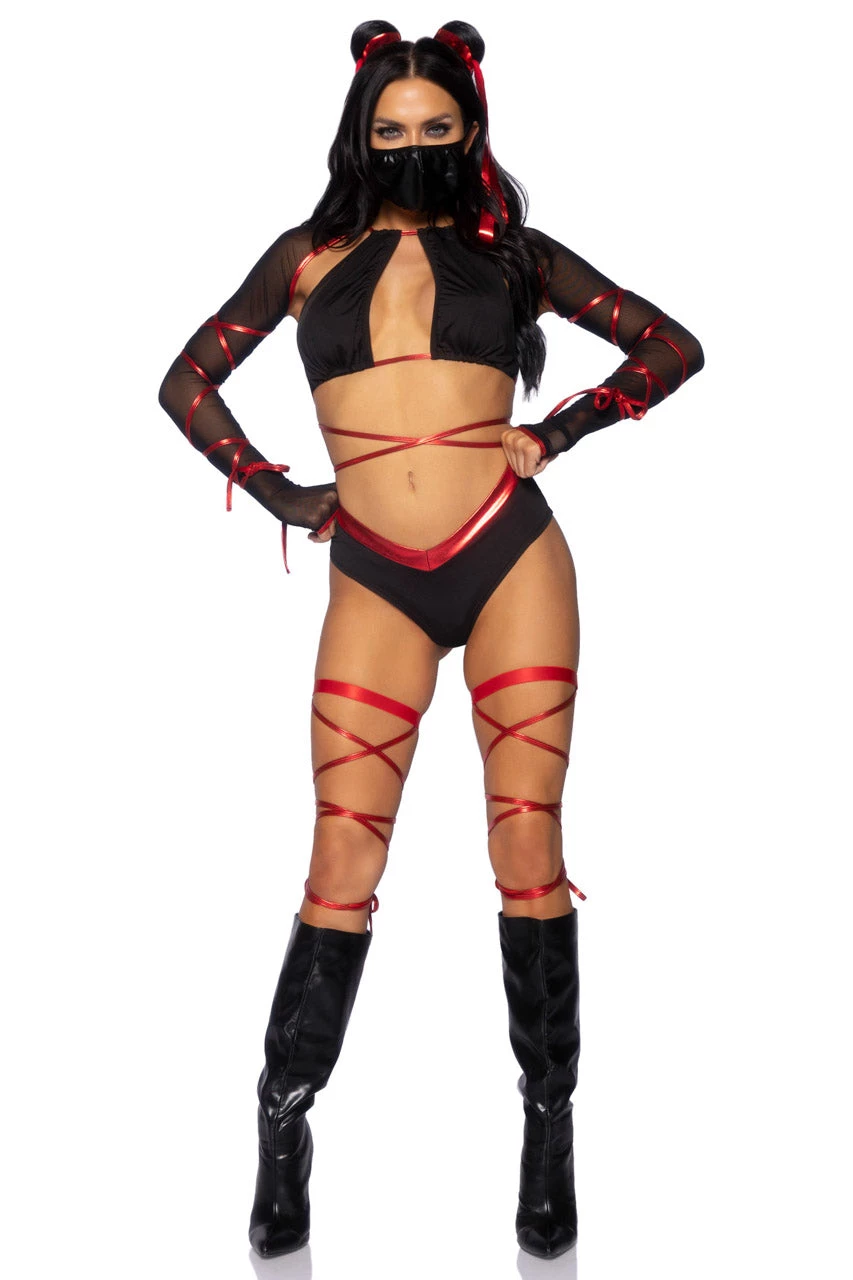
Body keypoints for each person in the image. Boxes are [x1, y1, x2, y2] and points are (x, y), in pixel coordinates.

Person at [157, 18, 704, 1262]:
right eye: (391, 129)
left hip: (509, 554)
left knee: (528, 846)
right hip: (374, 574)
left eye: (434, 128)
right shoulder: (306, 259)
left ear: (469, 131)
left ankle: (548, 1135)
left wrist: (559, 430)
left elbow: (671, 345)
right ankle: (282, 1125)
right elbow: (185, 380)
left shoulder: (513, 257)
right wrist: (282, 492)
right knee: (339, 861)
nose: (411, 147)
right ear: (360, 135)